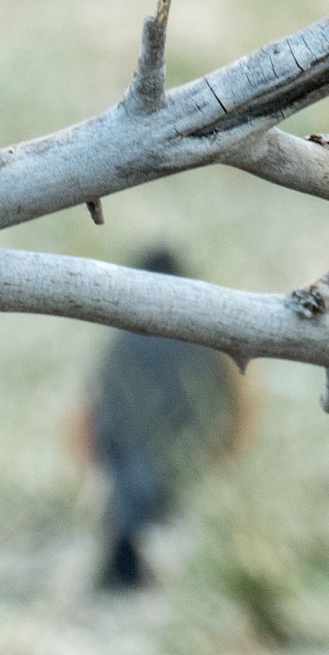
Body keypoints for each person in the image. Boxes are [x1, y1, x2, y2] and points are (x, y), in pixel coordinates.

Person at [89, 248, 246, 588]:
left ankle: (126, 564)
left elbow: (94, 408)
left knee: (130, 510)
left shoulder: (118, 340)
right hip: (184, 454)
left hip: (127, 458)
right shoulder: (204, 337)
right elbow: (233, 404)